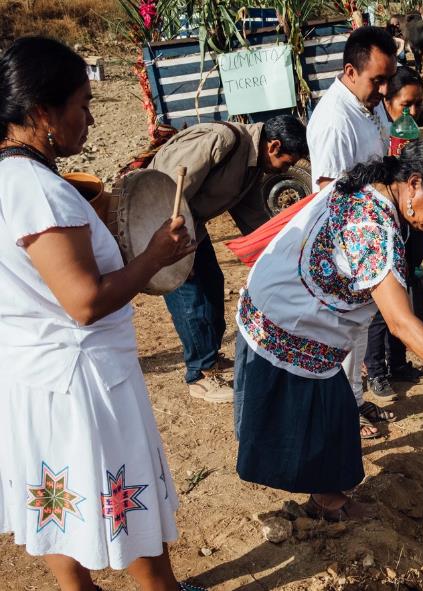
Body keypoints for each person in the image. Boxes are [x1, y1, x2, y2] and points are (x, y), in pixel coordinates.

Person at [0, 36, 204, 591]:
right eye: (83, 106)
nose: (90, 119)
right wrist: (155, 256)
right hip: (83, 383)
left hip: (33, 376)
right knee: (134, 521)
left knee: (57, 508)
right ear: (42, 113)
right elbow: (84, 302)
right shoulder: (39, 191)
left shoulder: (11, 180)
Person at [233, 139, 423, 520]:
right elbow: (400, 322)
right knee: (315, 421)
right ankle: (327, 504)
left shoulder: (368, 186)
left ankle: (328, 498)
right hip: (289, 322)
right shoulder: (373, 229)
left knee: (335, 416)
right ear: (414, 183)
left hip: (286, 304)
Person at [148, 115, 307, 403]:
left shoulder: (252, 163)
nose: (286, 169)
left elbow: (251, 214)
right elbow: (170, 190)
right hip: (166, 224)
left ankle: (210, 358)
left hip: (192, 225)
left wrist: (277, 254)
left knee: (212, 285)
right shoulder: (223, 141)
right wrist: (176, 246)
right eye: (287, 162)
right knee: (191, 297)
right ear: (273, 146)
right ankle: (199, 374)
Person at [306, 26, 397, 438]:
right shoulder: (333, 121)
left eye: (387, 79)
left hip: (368, 234)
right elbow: (329, 194)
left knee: (359, 329)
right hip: (345, 241)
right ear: (350, 70)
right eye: (377, 79)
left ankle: (355, 400)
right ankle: (342, 411)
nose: (384, 88)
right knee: (343, 331)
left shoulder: (370, 104)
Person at [364, 66, 423, 407]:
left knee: (410, 290)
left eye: (418, 104)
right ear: (388, 101)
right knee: (383, 299)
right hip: (387, 221)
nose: (413, 112)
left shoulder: (406, 132)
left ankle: (400, 362)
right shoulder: (376, 131)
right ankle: (375, 370)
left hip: (412, 220)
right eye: (407, 103)